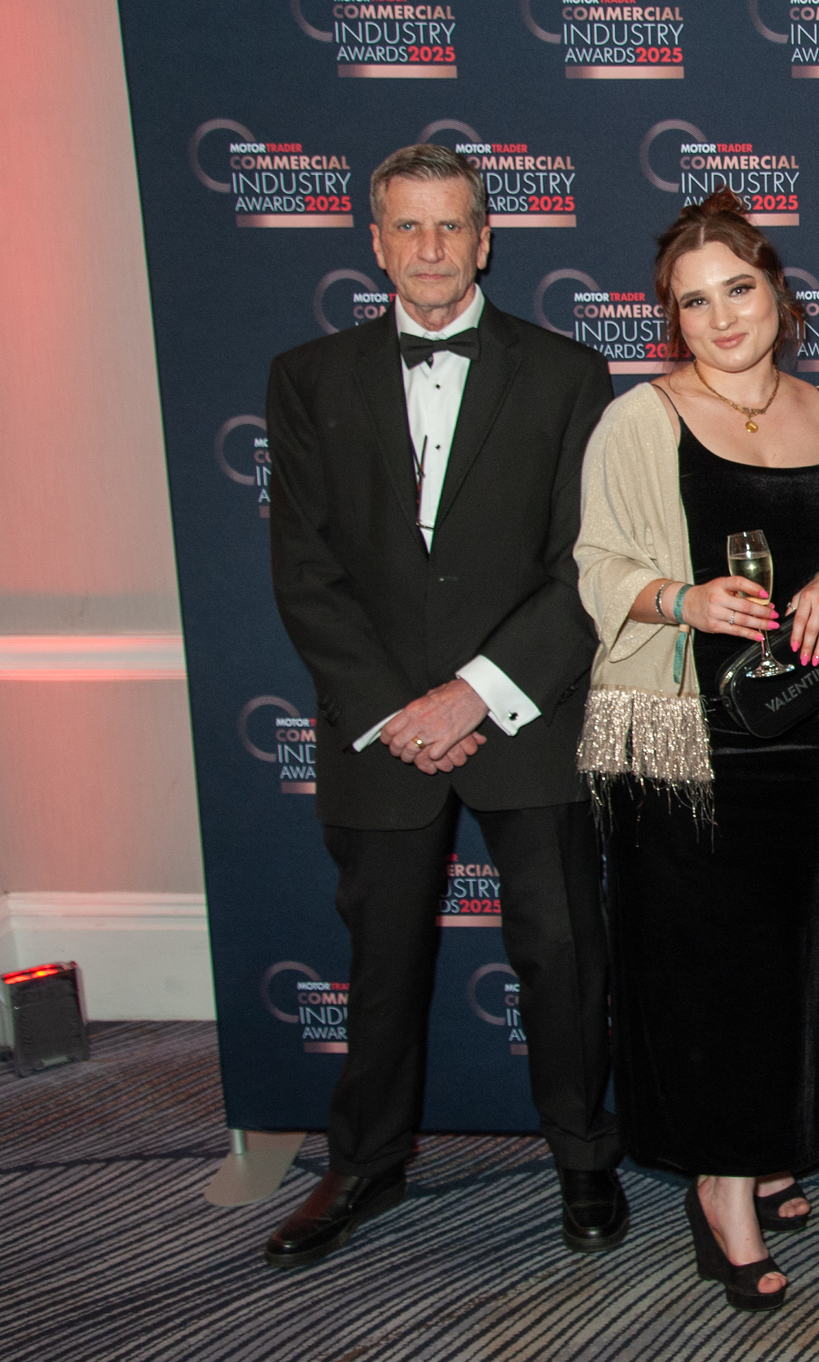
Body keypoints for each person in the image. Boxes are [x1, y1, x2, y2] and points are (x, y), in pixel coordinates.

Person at [263, 144, 624, 1267]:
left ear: (485, 239)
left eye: (450, 225)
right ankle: (364, 1165)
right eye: (408, 228)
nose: (430, 249)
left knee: (562, 953)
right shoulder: (307, 377)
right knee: (381, 963)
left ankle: (584, 1160)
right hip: (379, 733)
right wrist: (394, 712)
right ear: (376, 242)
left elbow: (583, 565)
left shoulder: (568, 374)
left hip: (526, 716)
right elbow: (305, 571)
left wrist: (473, 694)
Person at [573, 187, 819, 1312]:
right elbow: (596, 565)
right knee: (704, 969)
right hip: (680, 742)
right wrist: (683, 599)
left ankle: (762, 1149)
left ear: (777, 293)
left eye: (738, 290)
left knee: (783, 958)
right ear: (671, 317)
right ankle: (722, 1191)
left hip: (798, 735)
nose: (721, 318)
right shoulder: (641, 419)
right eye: (693, 302)